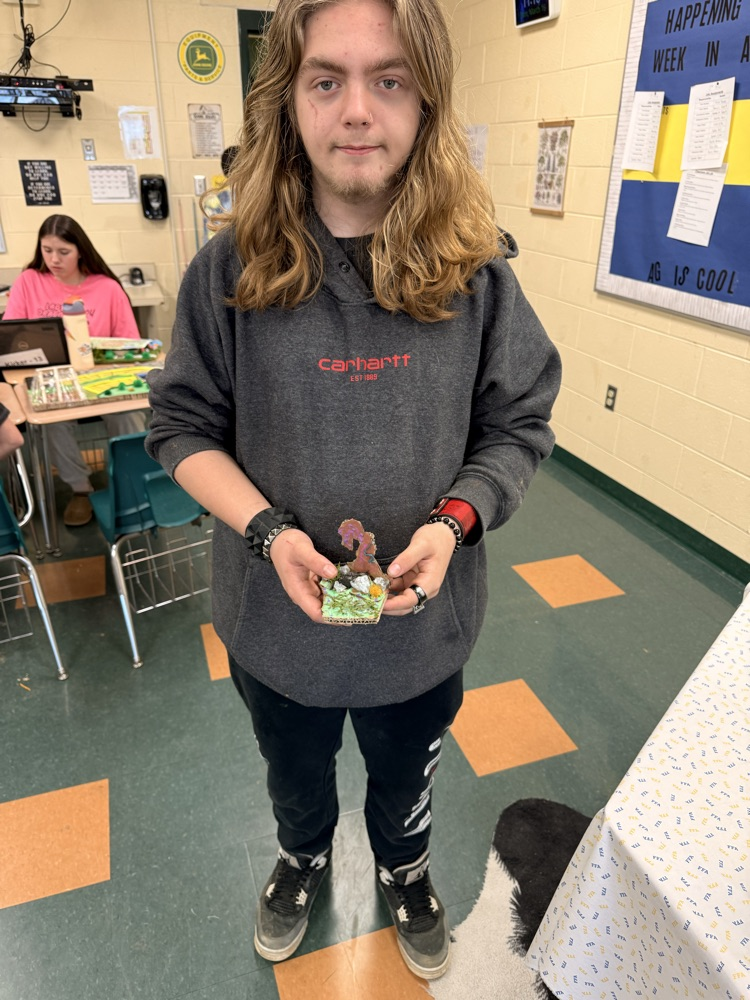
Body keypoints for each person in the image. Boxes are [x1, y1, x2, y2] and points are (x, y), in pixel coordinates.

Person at [146, 0, 561, 981]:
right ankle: (301, 856)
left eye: (390, 81)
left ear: (425, 104)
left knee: (403, 770)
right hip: (276, 622)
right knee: (294, 771)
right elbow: (179, 427)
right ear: (287, 102)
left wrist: (456, 522)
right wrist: (266, 530)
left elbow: (519, 423)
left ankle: (406, 865)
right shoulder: (228, 274)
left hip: (418, 625)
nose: (358, 111)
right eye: (326, 80)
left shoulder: (479, 278)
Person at [3, 215, 146, 526]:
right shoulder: (29, 280)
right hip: (50, 379)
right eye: (47, 250)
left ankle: (131, 481)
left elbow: (129, 344)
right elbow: (11, 335)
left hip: (100, 377)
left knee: (127, 414)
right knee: (53, 422)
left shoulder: (107, 288)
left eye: (63, 252)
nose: (54, 260)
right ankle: (80, 489)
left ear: (80, 250)